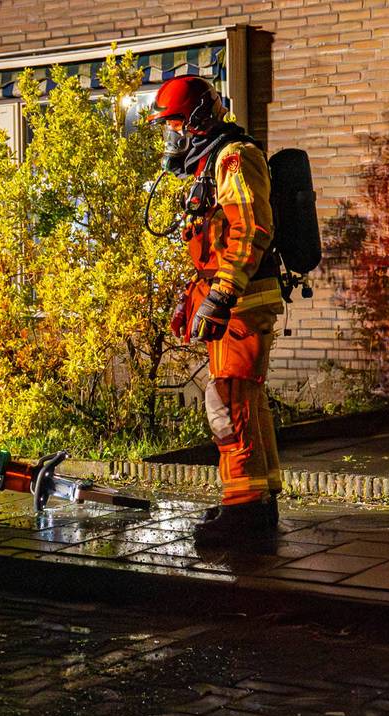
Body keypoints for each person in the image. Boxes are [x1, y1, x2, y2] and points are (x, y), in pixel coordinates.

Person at [149, 75, 284, 544]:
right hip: (234, 294)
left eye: (175, 125)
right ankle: (258, 499)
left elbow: (251, 231)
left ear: (199, 118)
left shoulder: (234, 157)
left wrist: (221, 294)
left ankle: (244, 510)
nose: (172, 137)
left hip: (242, 297)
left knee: (227, 399)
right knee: (243, 398)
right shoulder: (211, 161)